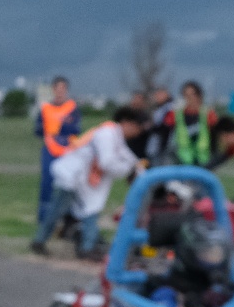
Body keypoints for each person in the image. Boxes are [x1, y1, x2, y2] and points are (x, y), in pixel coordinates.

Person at [30, 106, 148, 259]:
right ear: (127, 122)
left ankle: (86, 247)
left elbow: (126, 157)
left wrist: (137, 168)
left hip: (82, 179)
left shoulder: (115, 135)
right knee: (59, 210)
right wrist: (129, 170)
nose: (138, 133)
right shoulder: (107, 133)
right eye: (137, 128)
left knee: (90, 210)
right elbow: (107, 162)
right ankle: (41, 241)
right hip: (71, 175)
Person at [33, 76, 83, 222]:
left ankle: (69, 217)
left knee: (69, 183)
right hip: (50, 150)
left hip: (67, 151)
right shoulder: (45, 108)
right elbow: (38, 129)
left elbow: (76, 128)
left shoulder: (72, 108)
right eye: (57, 88)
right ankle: (44, 217)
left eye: (63, 88)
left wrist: (59, 126)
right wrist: (48, 129)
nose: (60, 91)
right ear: (53, 89)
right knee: (47, 183)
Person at [158, 80, 215, 166]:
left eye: (192, 94)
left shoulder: (208, 114)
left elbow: (215, 135)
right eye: (186, 95)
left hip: (204, 160)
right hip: (182, 160)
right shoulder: (175, 114)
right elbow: (163, 130)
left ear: (199, 95)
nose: (190, 98)